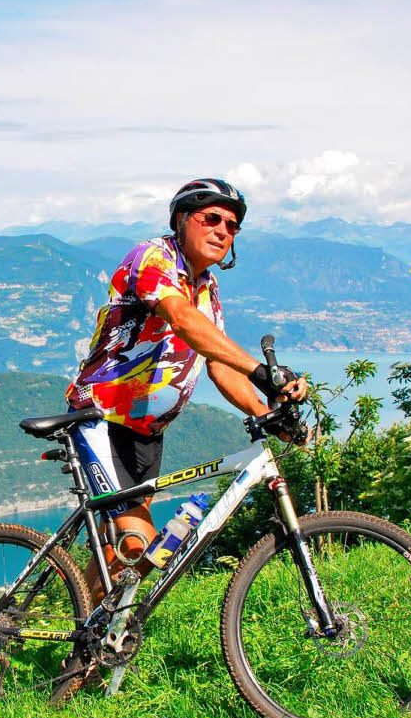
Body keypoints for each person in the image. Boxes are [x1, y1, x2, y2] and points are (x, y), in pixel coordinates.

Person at [65, 178, 308, 603]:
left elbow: (218, 364)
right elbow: (182, 321)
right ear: (182, 220)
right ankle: (87, 650)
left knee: (115, 548)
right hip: (100, 419)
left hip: (146, 433)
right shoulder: (155, 256)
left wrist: (267, 412)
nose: (222, 231)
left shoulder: (207, 288)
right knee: (136, 546)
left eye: (232, 227)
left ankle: (85, 636)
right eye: (211, 218)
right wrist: (260, 370)